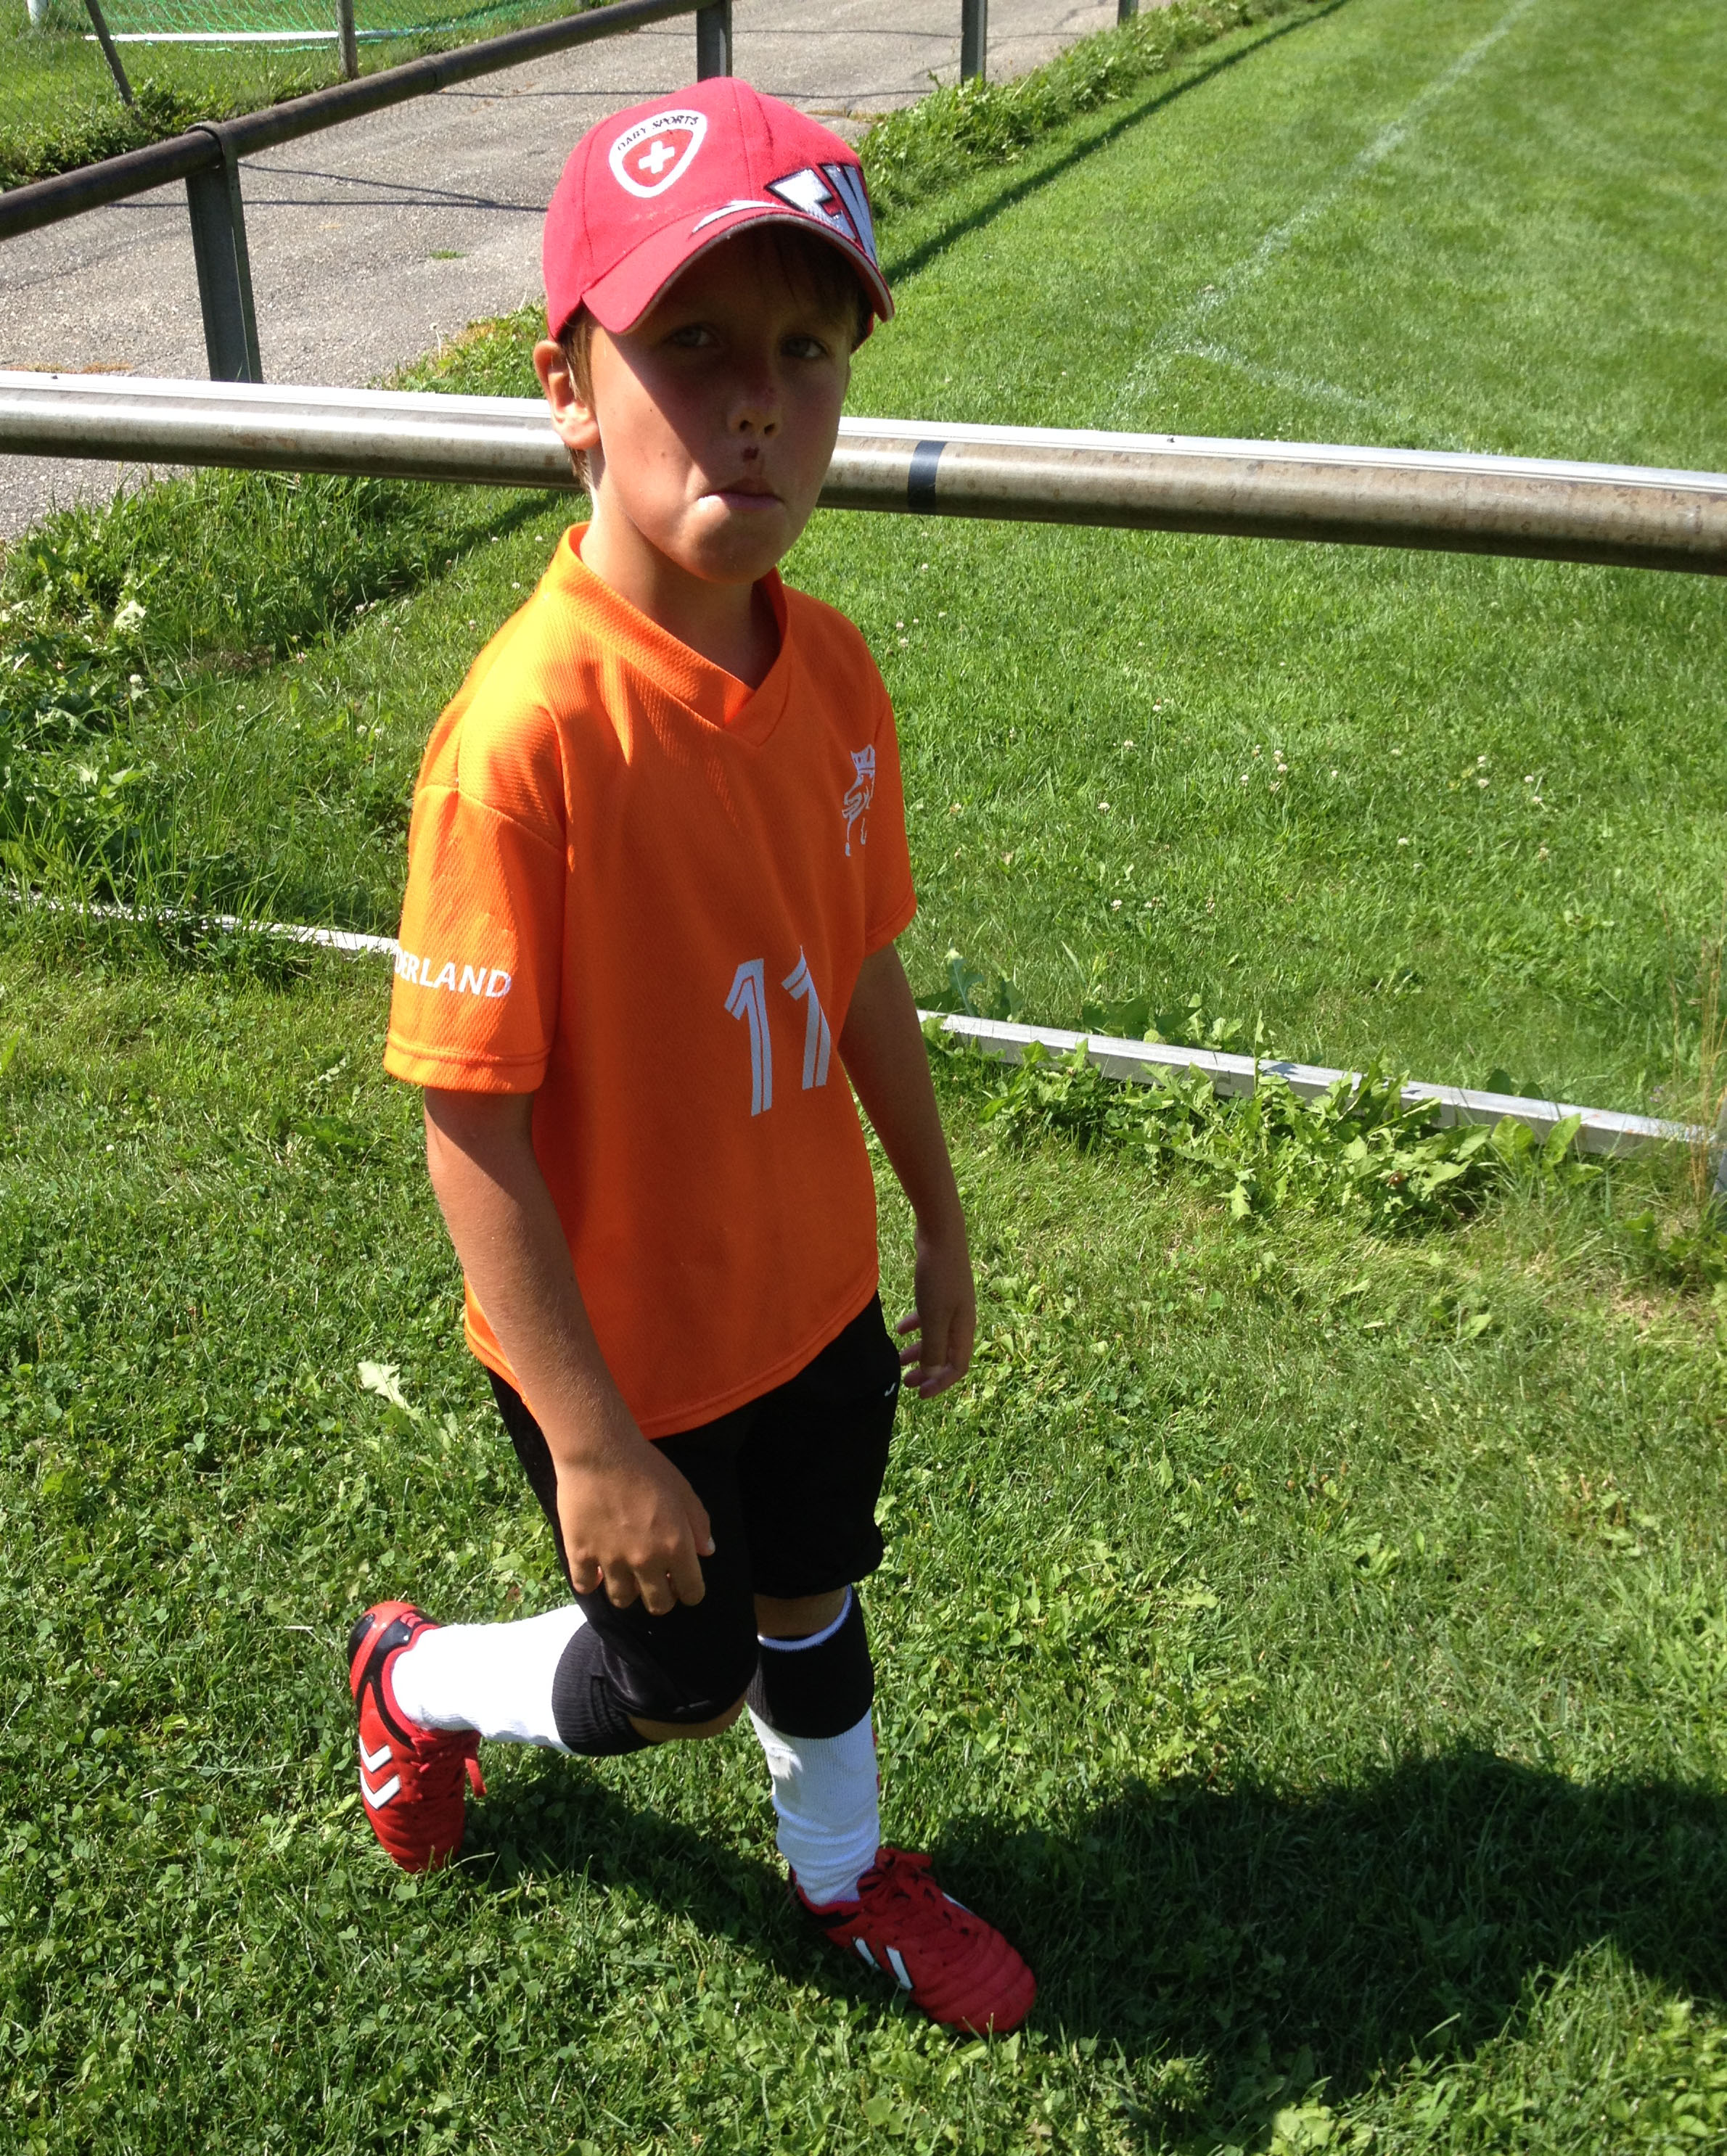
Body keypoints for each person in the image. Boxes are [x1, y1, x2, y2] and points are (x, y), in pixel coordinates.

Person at [346, 78, 1035, 2036]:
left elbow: (859, 966)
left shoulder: (834, 673)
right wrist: (589, 1439)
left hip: (809, 1293)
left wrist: (937, 1217)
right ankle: (415, 1679)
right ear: (570, 391)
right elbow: (468, 1115)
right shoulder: (527, 739)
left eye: (806, 351)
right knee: (681, 1682)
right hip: (626, 1352)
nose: (757, 404)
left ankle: (845, 1874)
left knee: (813, 1592)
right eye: (694, 343)